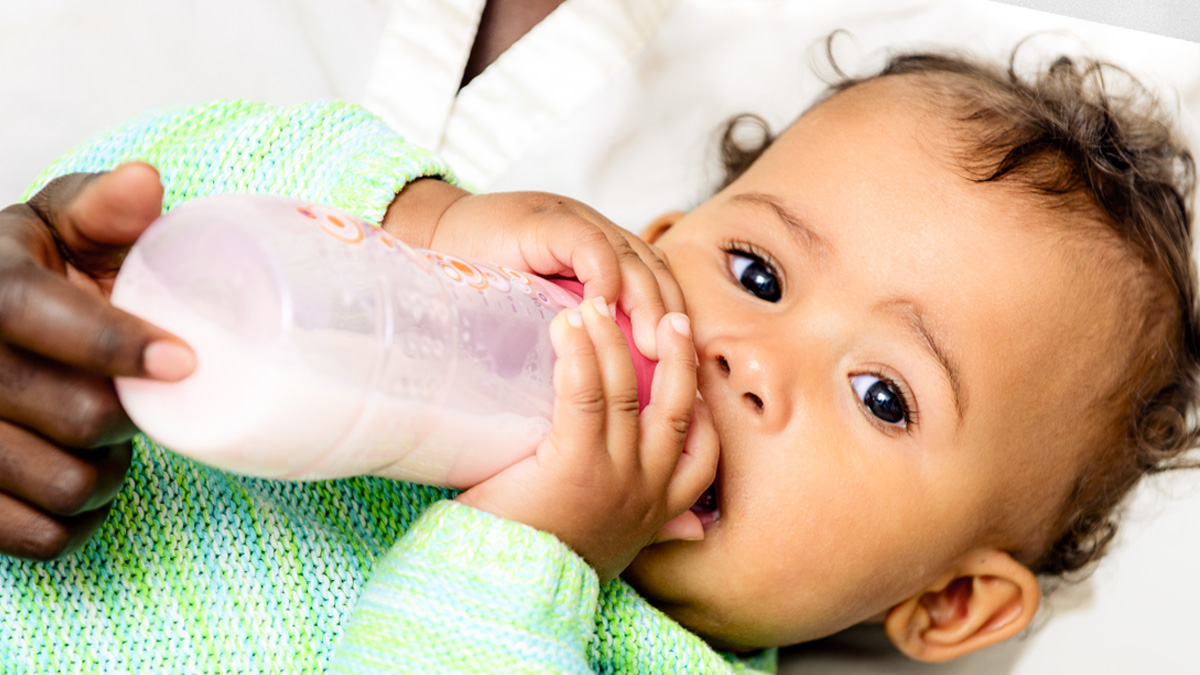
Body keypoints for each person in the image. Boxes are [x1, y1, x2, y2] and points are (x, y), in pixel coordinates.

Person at [0, 43, 1196, 672]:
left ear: (947, 601)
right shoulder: (441, 330)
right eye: (758, 276)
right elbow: (158, 195)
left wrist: (529, 561)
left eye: (884, 395)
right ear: (650, 248)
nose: (750, 359)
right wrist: (424, 229)